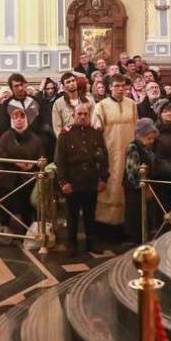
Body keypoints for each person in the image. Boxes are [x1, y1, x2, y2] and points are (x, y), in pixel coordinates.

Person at [55, 102, 109, 254]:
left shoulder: (96, 134)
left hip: (91, 181)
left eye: (85, 114)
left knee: (90, 215)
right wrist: (63, 181)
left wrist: (103, 178)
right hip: (73, 181)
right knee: (72, 215)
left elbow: (104, 158)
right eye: (79, 114)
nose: (83, 117)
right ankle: (71, 244)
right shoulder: (65, 135)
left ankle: (91, 242)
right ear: (73, 115)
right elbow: (60, 161)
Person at [92, 74, 136, 234]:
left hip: (129, 155)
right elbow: (96, 135)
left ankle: (127, 227)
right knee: (110, 188)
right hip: (109, 155)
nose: (120, 89)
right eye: (116, 86)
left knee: (127, 189)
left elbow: (136, 130)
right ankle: (107, 230)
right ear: (109, 87)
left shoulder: (132, 104)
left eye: (123, 86)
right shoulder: (101, 106)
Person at [0, 105, 44, 230]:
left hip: (27, 178)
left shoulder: (35, 138)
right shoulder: (6, 136)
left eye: (22, 117)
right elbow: (0, 154)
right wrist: (16, 163)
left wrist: (33, 164)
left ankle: (27, 231)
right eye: (15, 117)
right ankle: (6, 229)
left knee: (26, 207)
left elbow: (41, 155)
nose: (19, 120)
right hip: (9, 178)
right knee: (6, 205)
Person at [124, 117, 171, 242]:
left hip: (148, 187)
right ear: (141, 135)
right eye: (148, 138)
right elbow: (132, 173)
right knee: (137, 218)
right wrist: (144, 188)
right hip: (136, 190)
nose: (151, 141)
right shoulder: (133, 147)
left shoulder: (149, 147)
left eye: (152, 138)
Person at [51, 71, 93, 136]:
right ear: (64, 87)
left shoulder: (88, 101)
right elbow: (57, 128)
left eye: (73, 80)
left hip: (86, 137)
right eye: (68, 82)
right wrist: (62, 141)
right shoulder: (58, 103)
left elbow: (94, 121)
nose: (72, 83)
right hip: (68, 139)